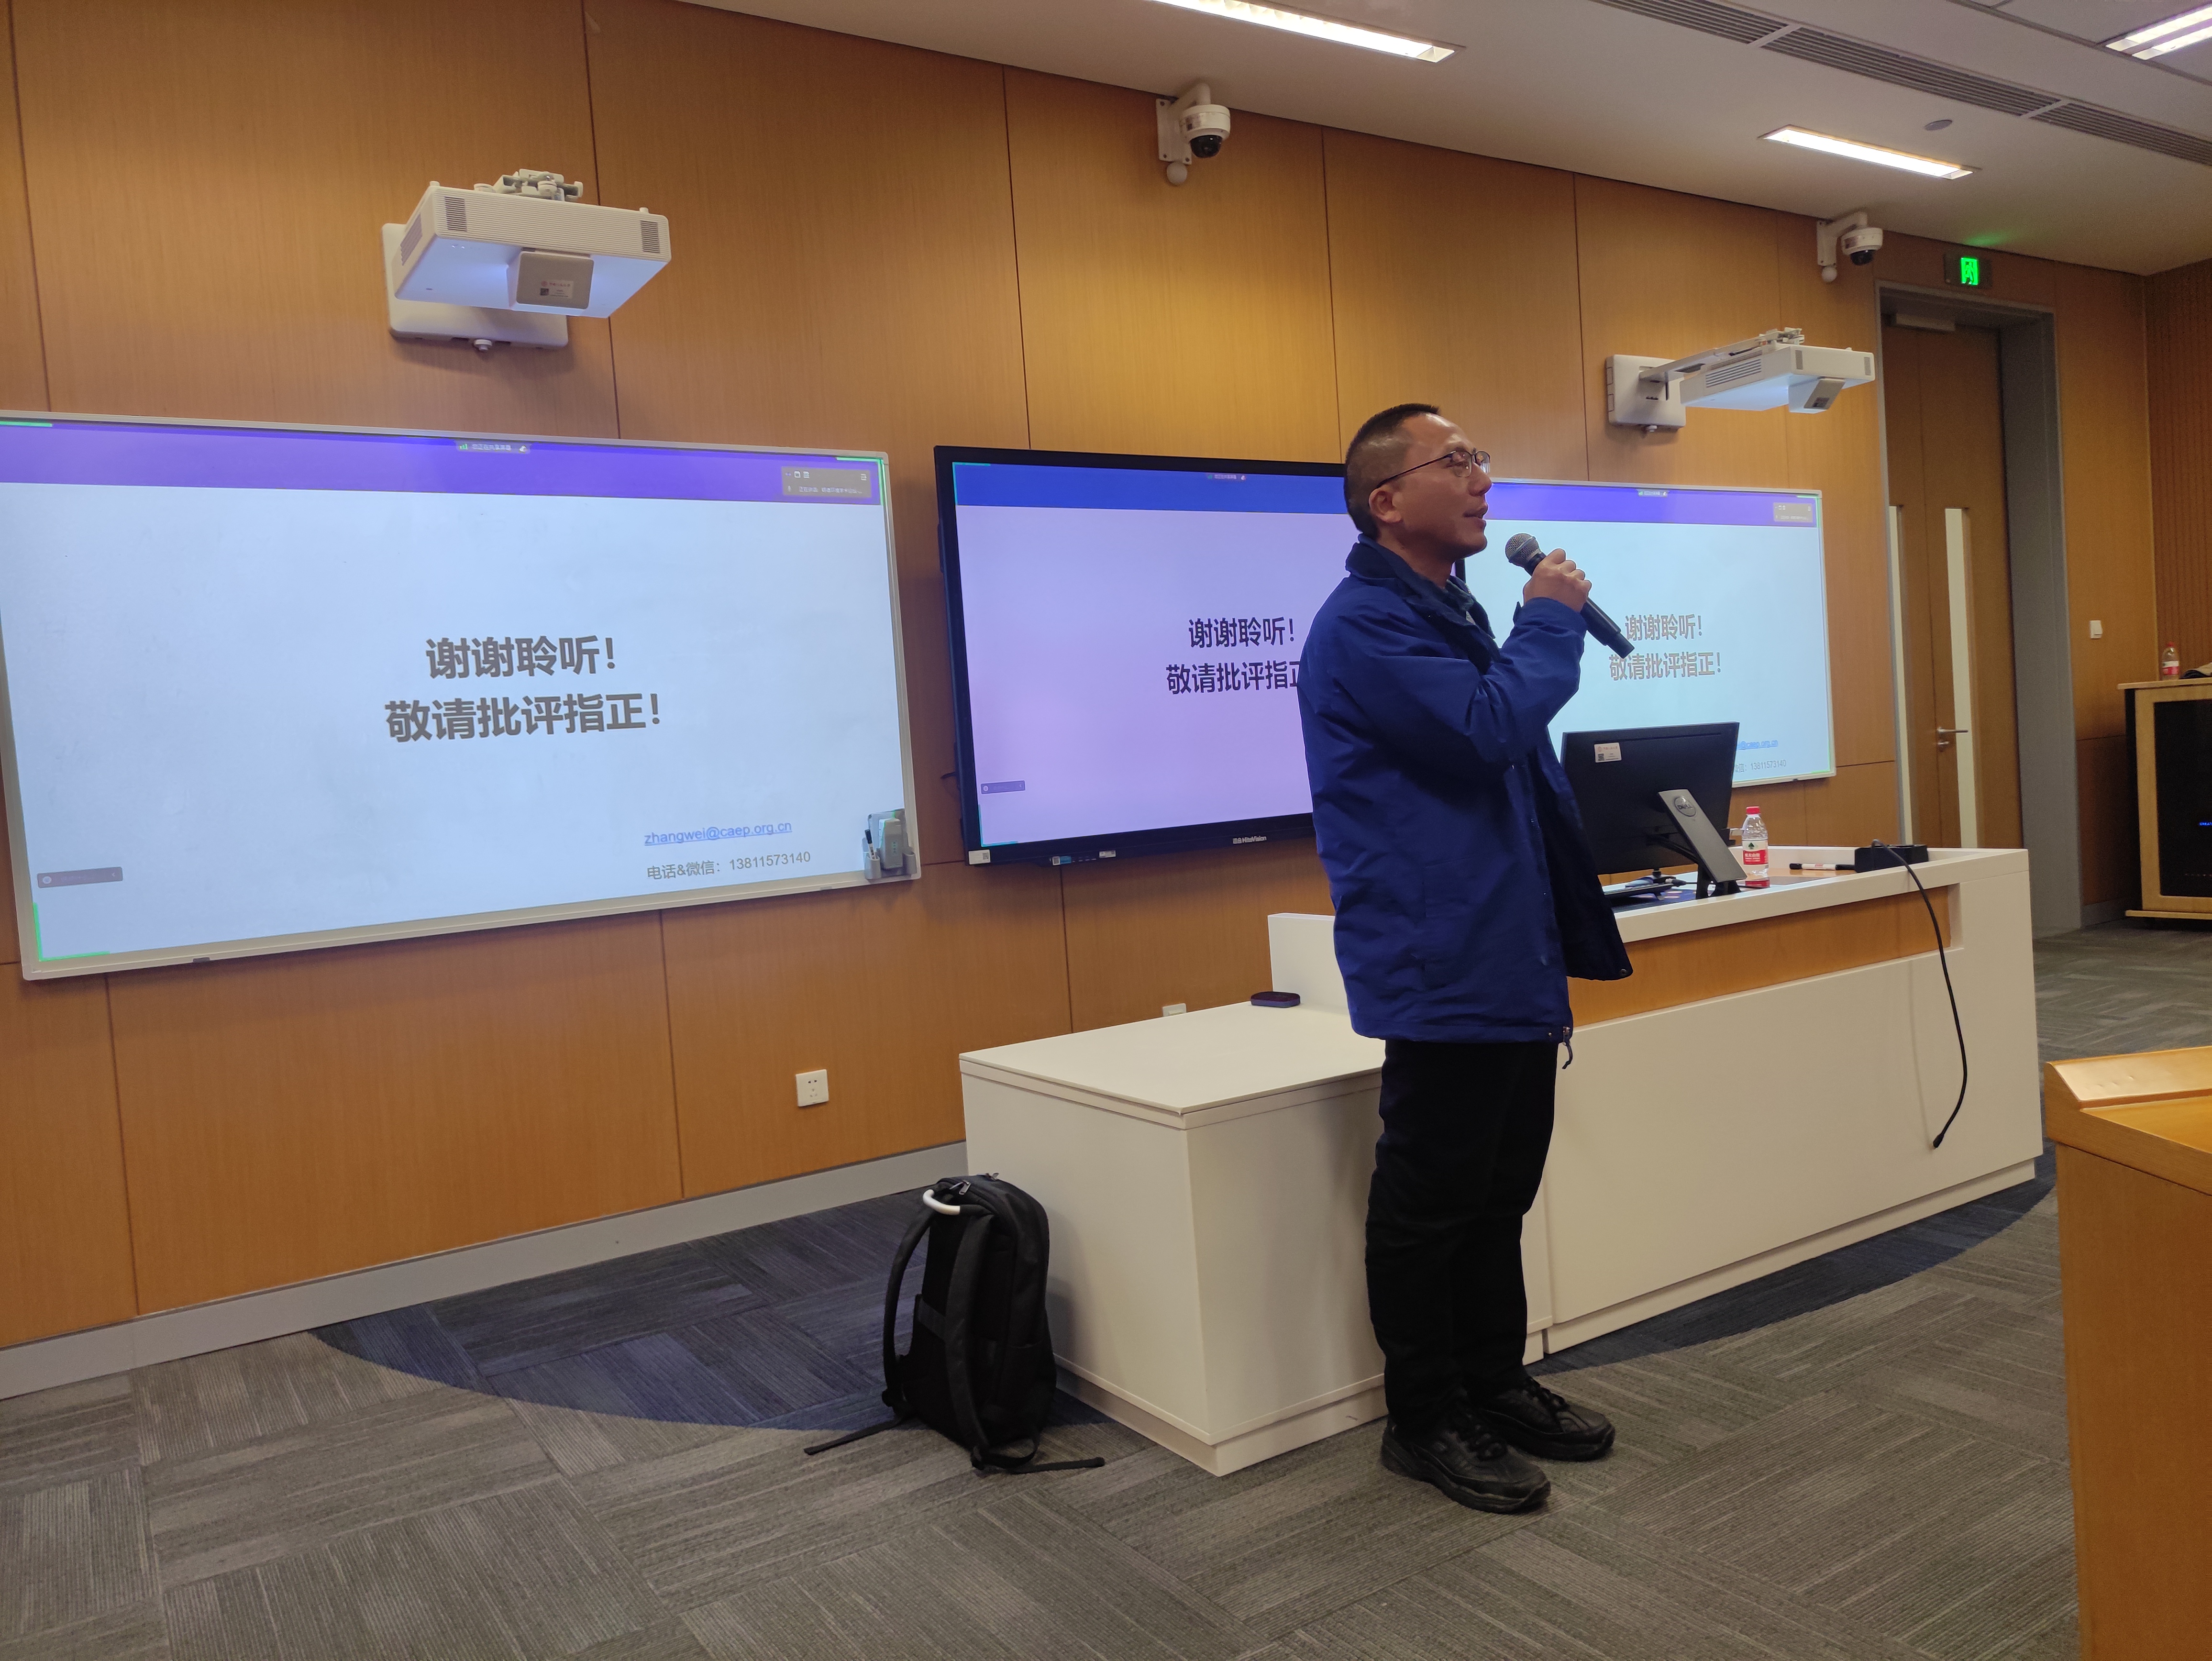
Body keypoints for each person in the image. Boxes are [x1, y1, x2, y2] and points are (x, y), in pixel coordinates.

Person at [1297, 403, 1633, 1514]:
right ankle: (1424, 1414)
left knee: (1497, 1191)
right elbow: (1485, 729)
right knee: (1431, 1199)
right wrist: (1549, 622)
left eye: (1481, 457)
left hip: (1506, 948)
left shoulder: (1449, 606)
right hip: (1439, 954)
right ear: (1386, 500)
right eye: (1457, 461)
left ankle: (1492, 1380)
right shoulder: (1364, 625)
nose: (1482, 477)